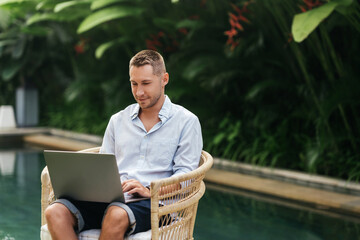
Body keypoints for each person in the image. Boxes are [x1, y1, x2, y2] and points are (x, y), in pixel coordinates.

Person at [44, 50, 203, 240]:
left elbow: (185, 178)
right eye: (134, 84)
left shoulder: (186, 122)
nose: (139, 92)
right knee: (55, 211)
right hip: (111, 199)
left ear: (164, 79)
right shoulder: (118, 120)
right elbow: (102, 166)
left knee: (117, 213)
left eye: (146, 83)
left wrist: (150, 190)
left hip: (155, 205)